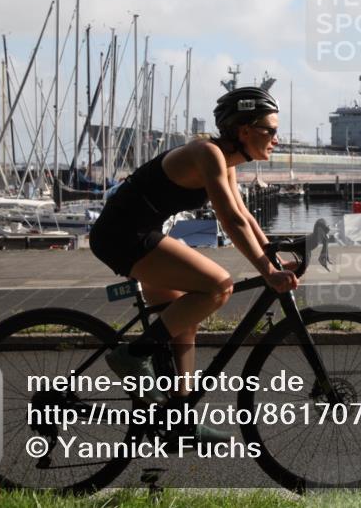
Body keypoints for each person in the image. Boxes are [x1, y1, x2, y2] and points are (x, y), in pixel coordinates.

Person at [88, 87, 299, 418]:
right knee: (218, 286)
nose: (277, 138)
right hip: (122, 236)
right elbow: (228, 220)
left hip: (143, 234)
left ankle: (180, 418)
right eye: (270, 130)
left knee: (183, 322)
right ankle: (132, 356)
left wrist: (271, 256)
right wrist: (267, 272)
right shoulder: (207, 154)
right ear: (245, 130)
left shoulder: (224, 161)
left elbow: (243, 215)